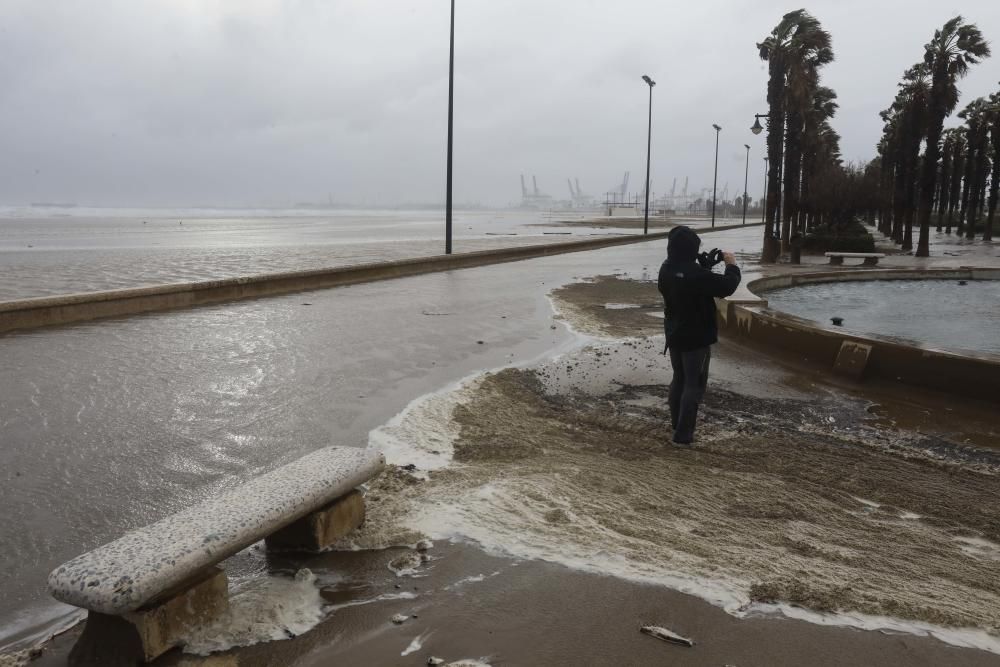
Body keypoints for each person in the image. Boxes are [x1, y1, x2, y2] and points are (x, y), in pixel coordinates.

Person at [657, 226, 741, 445]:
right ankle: (683, 436)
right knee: (694, 384)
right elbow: (727, 286)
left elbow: (691, 281)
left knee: (679, 378)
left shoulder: (666, 269)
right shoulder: (694, 275)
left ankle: (677, 424)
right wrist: (731, 265)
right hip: (697, 337)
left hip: (675, 333)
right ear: (691, 249)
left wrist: (703, 266)